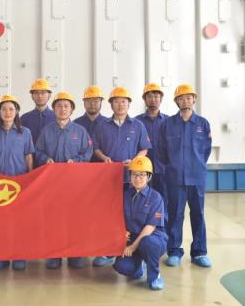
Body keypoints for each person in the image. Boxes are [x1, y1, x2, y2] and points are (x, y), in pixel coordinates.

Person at [91, 86, 151, 267]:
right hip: (108, 180)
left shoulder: (138, 126)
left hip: (131, 180)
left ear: (129, 104)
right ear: (111, 105)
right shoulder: (102, 126)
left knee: (131, 216)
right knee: (108, 215)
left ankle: (134, 252)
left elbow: (144, 149)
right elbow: (95, 148)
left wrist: (134, 162)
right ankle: (108, 251)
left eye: (123, 101)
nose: (120, 105)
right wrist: (104, 158)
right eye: (116, 101)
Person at [35, 91, 93, 269]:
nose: (62, 109)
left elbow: (88, 152)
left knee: (75, 217)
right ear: (54, 109)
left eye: (66, 106)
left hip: (74, 184)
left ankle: (75, 253)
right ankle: (55, 255)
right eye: (59, 106)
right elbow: (38, 151)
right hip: (52, 183)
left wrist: (76, 161)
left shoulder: (80, 131)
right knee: (54, 218)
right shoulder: (46, 131)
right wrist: (45, 159)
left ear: (72, 110)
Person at [0, 94, 35, 271]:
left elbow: (28, 156)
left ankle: (19, 255)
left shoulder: (25, 133)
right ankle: (0, 256)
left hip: (19, 184)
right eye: (4, 109)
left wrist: (30, 178)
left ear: (16, 111)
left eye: (11, 109)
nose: (8, 112)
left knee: (19, 222)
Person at [159, 84, 212, 268]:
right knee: (175, 215)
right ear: (176, 102)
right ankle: (174, 251)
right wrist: (172, 168)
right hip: (174, 178)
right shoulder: (167, 124)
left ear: (194, 99)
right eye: (181, 98)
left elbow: (206, 150)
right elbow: (162, 152)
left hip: (197, 177)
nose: (185, 101)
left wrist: (197, 166)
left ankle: (199, 252)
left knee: (198, 214)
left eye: (188, 97)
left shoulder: (203, 124)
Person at [113, 156, 167, 291]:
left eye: (142, 174)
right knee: (122, 266)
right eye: (134, 174)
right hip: (132, 239)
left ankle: (154, 277)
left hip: (153, 239)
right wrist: (122, 233)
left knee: (148, 243)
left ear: (149, 176)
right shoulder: (125, 195)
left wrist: (133, 247)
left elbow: (150, 227)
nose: (138, 178)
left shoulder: (155, 197)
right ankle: (138, 266)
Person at [135, 83, 169, 211]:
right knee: (142, 201)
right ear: (144, 99)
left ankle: (163, 224)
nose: (153, 99)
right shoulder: (136, 122)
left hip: (163, 170)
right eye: (149, 96)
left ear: (161, 99)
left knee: (163, 202)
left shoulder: (169, 121)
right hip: (142, 170)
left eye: (156, 96)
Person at [74, 85, 107, 161]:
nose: (92, 104)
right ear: (84, 102)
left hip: (103, 165)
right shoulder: (75, 124)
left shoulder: (108, 124)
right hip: (80, 165)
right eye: (88, 101)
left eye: (96, 101)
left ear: (101, 102)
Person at [21, 78, 54, 144]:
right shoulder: (24, 118)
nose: (40, 96)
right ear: (32, 96)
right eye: (36, 93)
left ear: (49, 95)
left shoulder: (56, 117)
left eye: (43, 93)